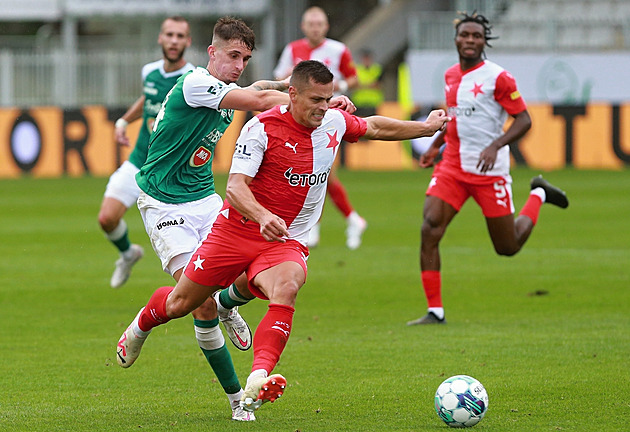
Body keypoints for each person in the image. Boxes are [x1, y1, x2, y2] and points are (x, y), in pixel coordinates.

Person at [116, 60, 450, 415]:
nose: (323, 107)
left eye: (328, 98)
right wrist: (262, 215)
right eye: (315, 100)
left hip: (286, 240)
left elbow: (373, 127)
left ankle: (257, 380)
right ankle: (143, 324)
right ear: (292, 94)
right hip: (236, 231)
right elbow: (235, 188)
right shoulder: (261, 128)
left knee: (287, 285)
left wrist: (425, 128)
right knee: (183, 304)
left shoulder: (333, 121)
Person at [116, 19, 354, 422]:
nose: (239, 64)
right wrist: (319, 103)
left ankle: (230, 308)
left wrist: (283, 87)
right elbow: (258, 101)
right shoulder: (195, 84)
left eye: (245, 57)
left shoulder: (230, 87)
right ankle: (152, 333)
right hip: (163, 205)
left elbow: (260, 89)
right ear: (212, 53)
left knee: (256, 264)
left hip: (206, 201)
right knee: (199, 304)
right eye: (232, 56)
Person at [406, 12, 569, 326]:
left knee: (507, 247)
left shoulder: (499, 77)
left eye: (476, 36)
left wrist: (495, 145)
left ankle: (538, 193)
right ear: (456, 39)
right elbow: (455, 118)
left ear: (484, 41)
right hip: (453, 165)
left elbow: (524, 120)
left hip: (489, 170)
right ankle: (435, 312)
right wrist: (436, 147)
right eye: (465, 35)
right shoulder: (452, 74)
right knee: (430, 228)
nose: (470, 40)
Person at [98, 16, 194, 289]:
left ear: (188, 41)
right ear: (160, 38)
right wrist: (124, 120)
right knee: (106, 218)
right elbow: (148, 99)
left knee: (182, 240)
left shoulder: (193, 78)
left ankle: (198, 291)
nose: (174, 41)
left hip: (170, 171)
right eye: (169, 35)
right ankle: (128, 254)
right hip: (140, 160)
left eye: (179, 36)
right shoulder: (149, 72)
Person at [274, 6, 366, 250]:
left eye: (319, 24)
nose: (315, 28)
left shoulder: (338, 49)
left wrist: (338, 88)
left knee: (320, 172)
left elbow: (354, 78)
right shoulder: (292, 49)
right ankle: (351, 219)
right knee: (317, 173)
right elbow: (280, 77)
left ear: (326, 27)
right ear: (304, 27)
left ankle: (317, 224)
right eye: (311, 24)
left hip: (329, 115)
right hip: (300, 115)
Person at [352, 49, 384, 113]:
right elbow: (354, 84)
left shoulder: (377, 69)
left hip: (374, 102)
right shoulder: (356, 69)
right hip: (359, 101)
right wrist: (370, 84)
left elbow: (378, 84)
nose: (366, 60)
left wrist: (362, 85)